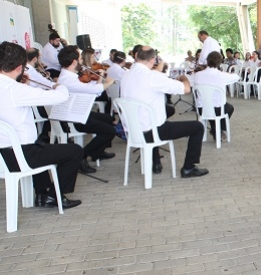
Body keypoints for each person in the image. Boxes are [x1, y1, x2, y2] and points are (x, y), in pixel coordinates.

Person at [0, 41, 82, 209]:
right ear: (18, 67)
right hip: (19, 156)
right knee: (75, 151)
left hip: (4, 155)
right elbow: (60, 97)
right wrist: (58, 85)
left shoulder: (13, 87)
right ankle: (53, 196)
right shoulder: (14, 89)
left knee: (41, 145)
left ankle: (42, 194)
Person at [121, 46, 208, 178]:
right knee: (197, 127)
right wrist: (183, 78)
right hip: (151, 132)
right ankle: (189, 168)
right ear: (152, 60)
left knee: (154, 118)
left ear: (136, 55)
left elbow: (151, 77)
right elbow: (186, 89)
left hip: (132, 131)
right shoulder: (153, 77)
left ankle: (156, 162)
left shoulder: (126, 75)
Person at [56, 46, 116, 174]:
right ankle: (82, 155)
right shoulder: (67, 80)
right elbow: (93, 90)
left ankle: (98, 152)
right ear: (74, 62)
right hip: (75, 118)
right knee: (110, 131)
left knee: (109, 119)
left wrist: (99, 79)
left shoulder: (72, 75)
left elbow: (88, 88)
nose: (82, 60)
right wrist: (109, 83)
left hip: (80, 111)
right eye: (80, 58)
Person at [194, 51, 239, 140]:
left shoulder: (198, 75)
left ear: (207, 61)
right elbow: (237, 77)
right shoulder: (222, 75)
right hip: (218, 110)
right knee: (229, 108)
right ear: (219, 62)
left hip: (201, 109)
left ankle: (215, 128)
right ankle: (218, 129)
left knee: (210, 107)